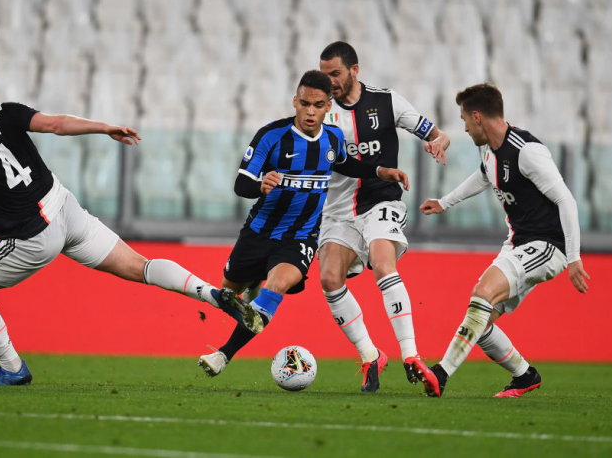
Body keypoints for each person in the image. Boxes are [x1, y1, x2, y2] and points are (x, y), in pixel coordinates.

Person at [0, 72, 259, 386]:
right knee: (140, 266)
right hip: (65, 208)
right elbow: (57, 124)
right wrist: (104, 127)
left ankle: (11, 368)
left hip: (32, 235)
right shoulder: (6, 113)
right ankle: (210, 293)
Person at [198, 70, 410, 377]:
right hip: (258, 233)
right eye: (305, 103)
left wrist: (380, 171)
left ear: (328, 106)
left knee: (277, 286)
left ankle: (222, 355)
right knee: (228, 295)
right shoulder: (271, 136)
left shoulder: (332, 138)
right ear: (295, 102)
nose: (310, 111)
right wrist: (261, 185)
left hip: (301, 237)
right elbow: (241, 185)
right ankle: (249, 292)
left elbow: (345, 163)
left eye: (318, 105)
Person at [407, 83, 590, 398]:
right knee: (479, 321)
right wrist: (444, 202)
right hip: (518, 242)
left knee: (482, 293)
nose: (463, 127)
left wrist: (573, 258)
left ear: (477, 117)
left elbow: (566, 200)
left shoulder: (527, 151)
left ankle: (441, 374)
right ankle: (524, 375)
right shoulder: (488, 149)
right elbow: (483, 175)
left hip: (548, 246)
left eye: (464, 119)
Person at [317, 41, 450, 392]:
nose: (329, 81)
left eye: (336, 73)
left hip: (382, 202)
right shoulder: (322, 111)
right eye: (325, 74)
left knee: (382, 261)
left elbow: (435, 132)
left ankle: (410, 355)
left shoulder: (386, 101)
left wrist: (439, 141)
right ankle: (370, 355)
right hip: (338, 211)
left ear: (354, 70)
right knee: (330, 279)